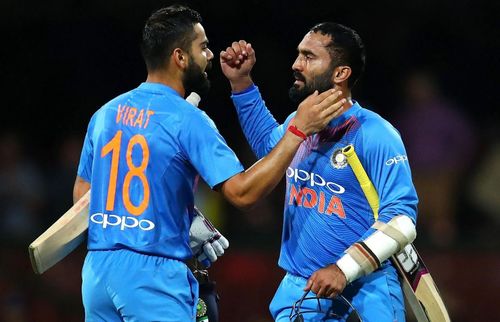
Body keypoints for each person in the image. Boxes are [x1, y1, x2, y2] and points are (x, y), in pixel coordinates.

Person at [73, 5, 345, 322]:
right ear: (180, 57)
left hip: (97, 272)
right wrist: (298, 129)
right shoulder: (189, 119)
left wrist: (163, 217)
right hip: (154, 276)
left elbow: (83, 194)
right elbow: (243, 193)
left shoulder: (105, 114)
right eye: (202, 47)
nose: (210, 56)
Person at [220, 23, 418, 321]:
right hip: (301, 289)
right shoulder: (300, 124)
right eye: (299, 55)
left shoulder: (375, 133)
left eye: (309, 56)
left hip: (366, 289)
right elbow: (270, 152)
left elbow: (402, 220)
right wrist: (242, 84)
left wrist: (344, 269)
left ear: (340, 73)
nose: (296, 64)